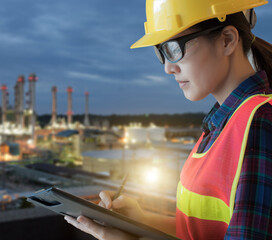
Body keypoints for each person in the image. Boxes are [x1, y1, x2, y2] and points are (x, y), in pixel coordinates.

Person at [65, 0, 272, 239]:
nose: (168, 68)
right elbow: (202, 231)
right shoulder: (220, 124)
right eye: (161, 52)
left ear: (227, 40)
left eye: (175, 48)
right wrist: (143, 222)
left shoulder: (259, 123)